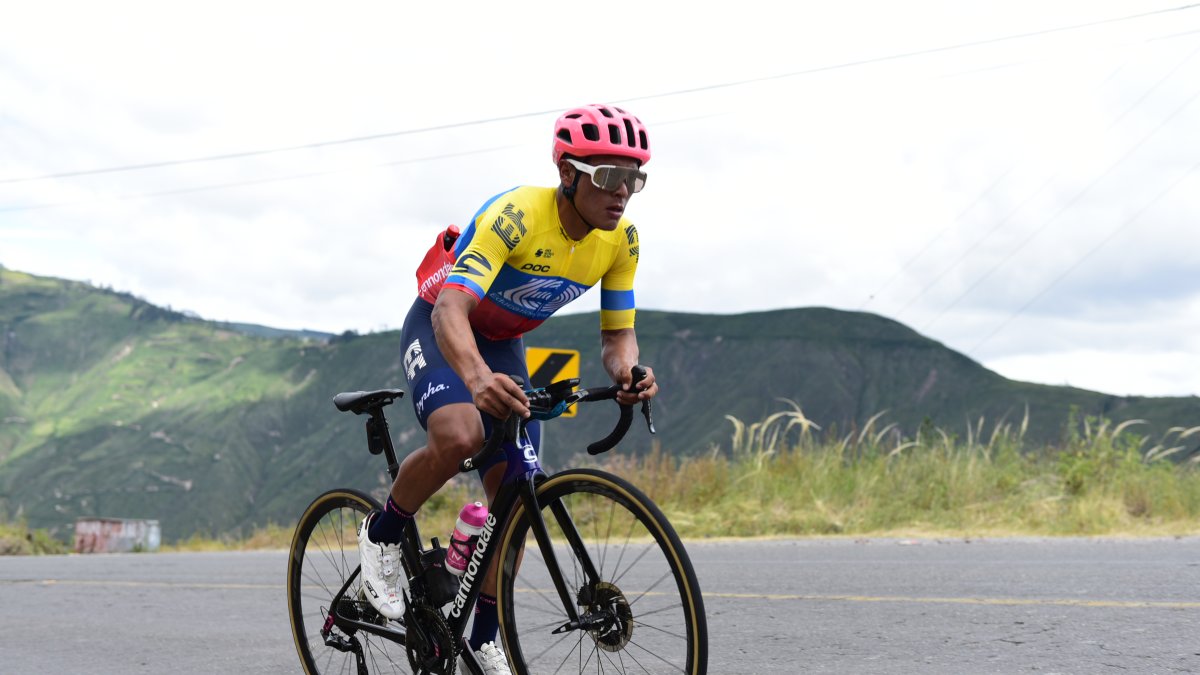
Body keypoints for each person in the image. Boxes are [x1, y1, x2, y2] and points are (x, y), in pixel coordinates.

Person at [356, 103, 659, 674]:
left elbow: (619, 335)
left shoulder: (621, 240)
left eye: (634, 179)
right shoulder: (517, 215)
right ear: (568, 173)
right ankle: (381, 533)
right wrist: (474, 378)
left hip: (504, 345)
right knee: (462, 431)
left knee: (515, 497)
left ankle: (483, 635)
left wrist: (627, 372)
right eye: (608, 177)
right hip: (444, 325)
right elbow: (451, 306)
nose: (622, 192)